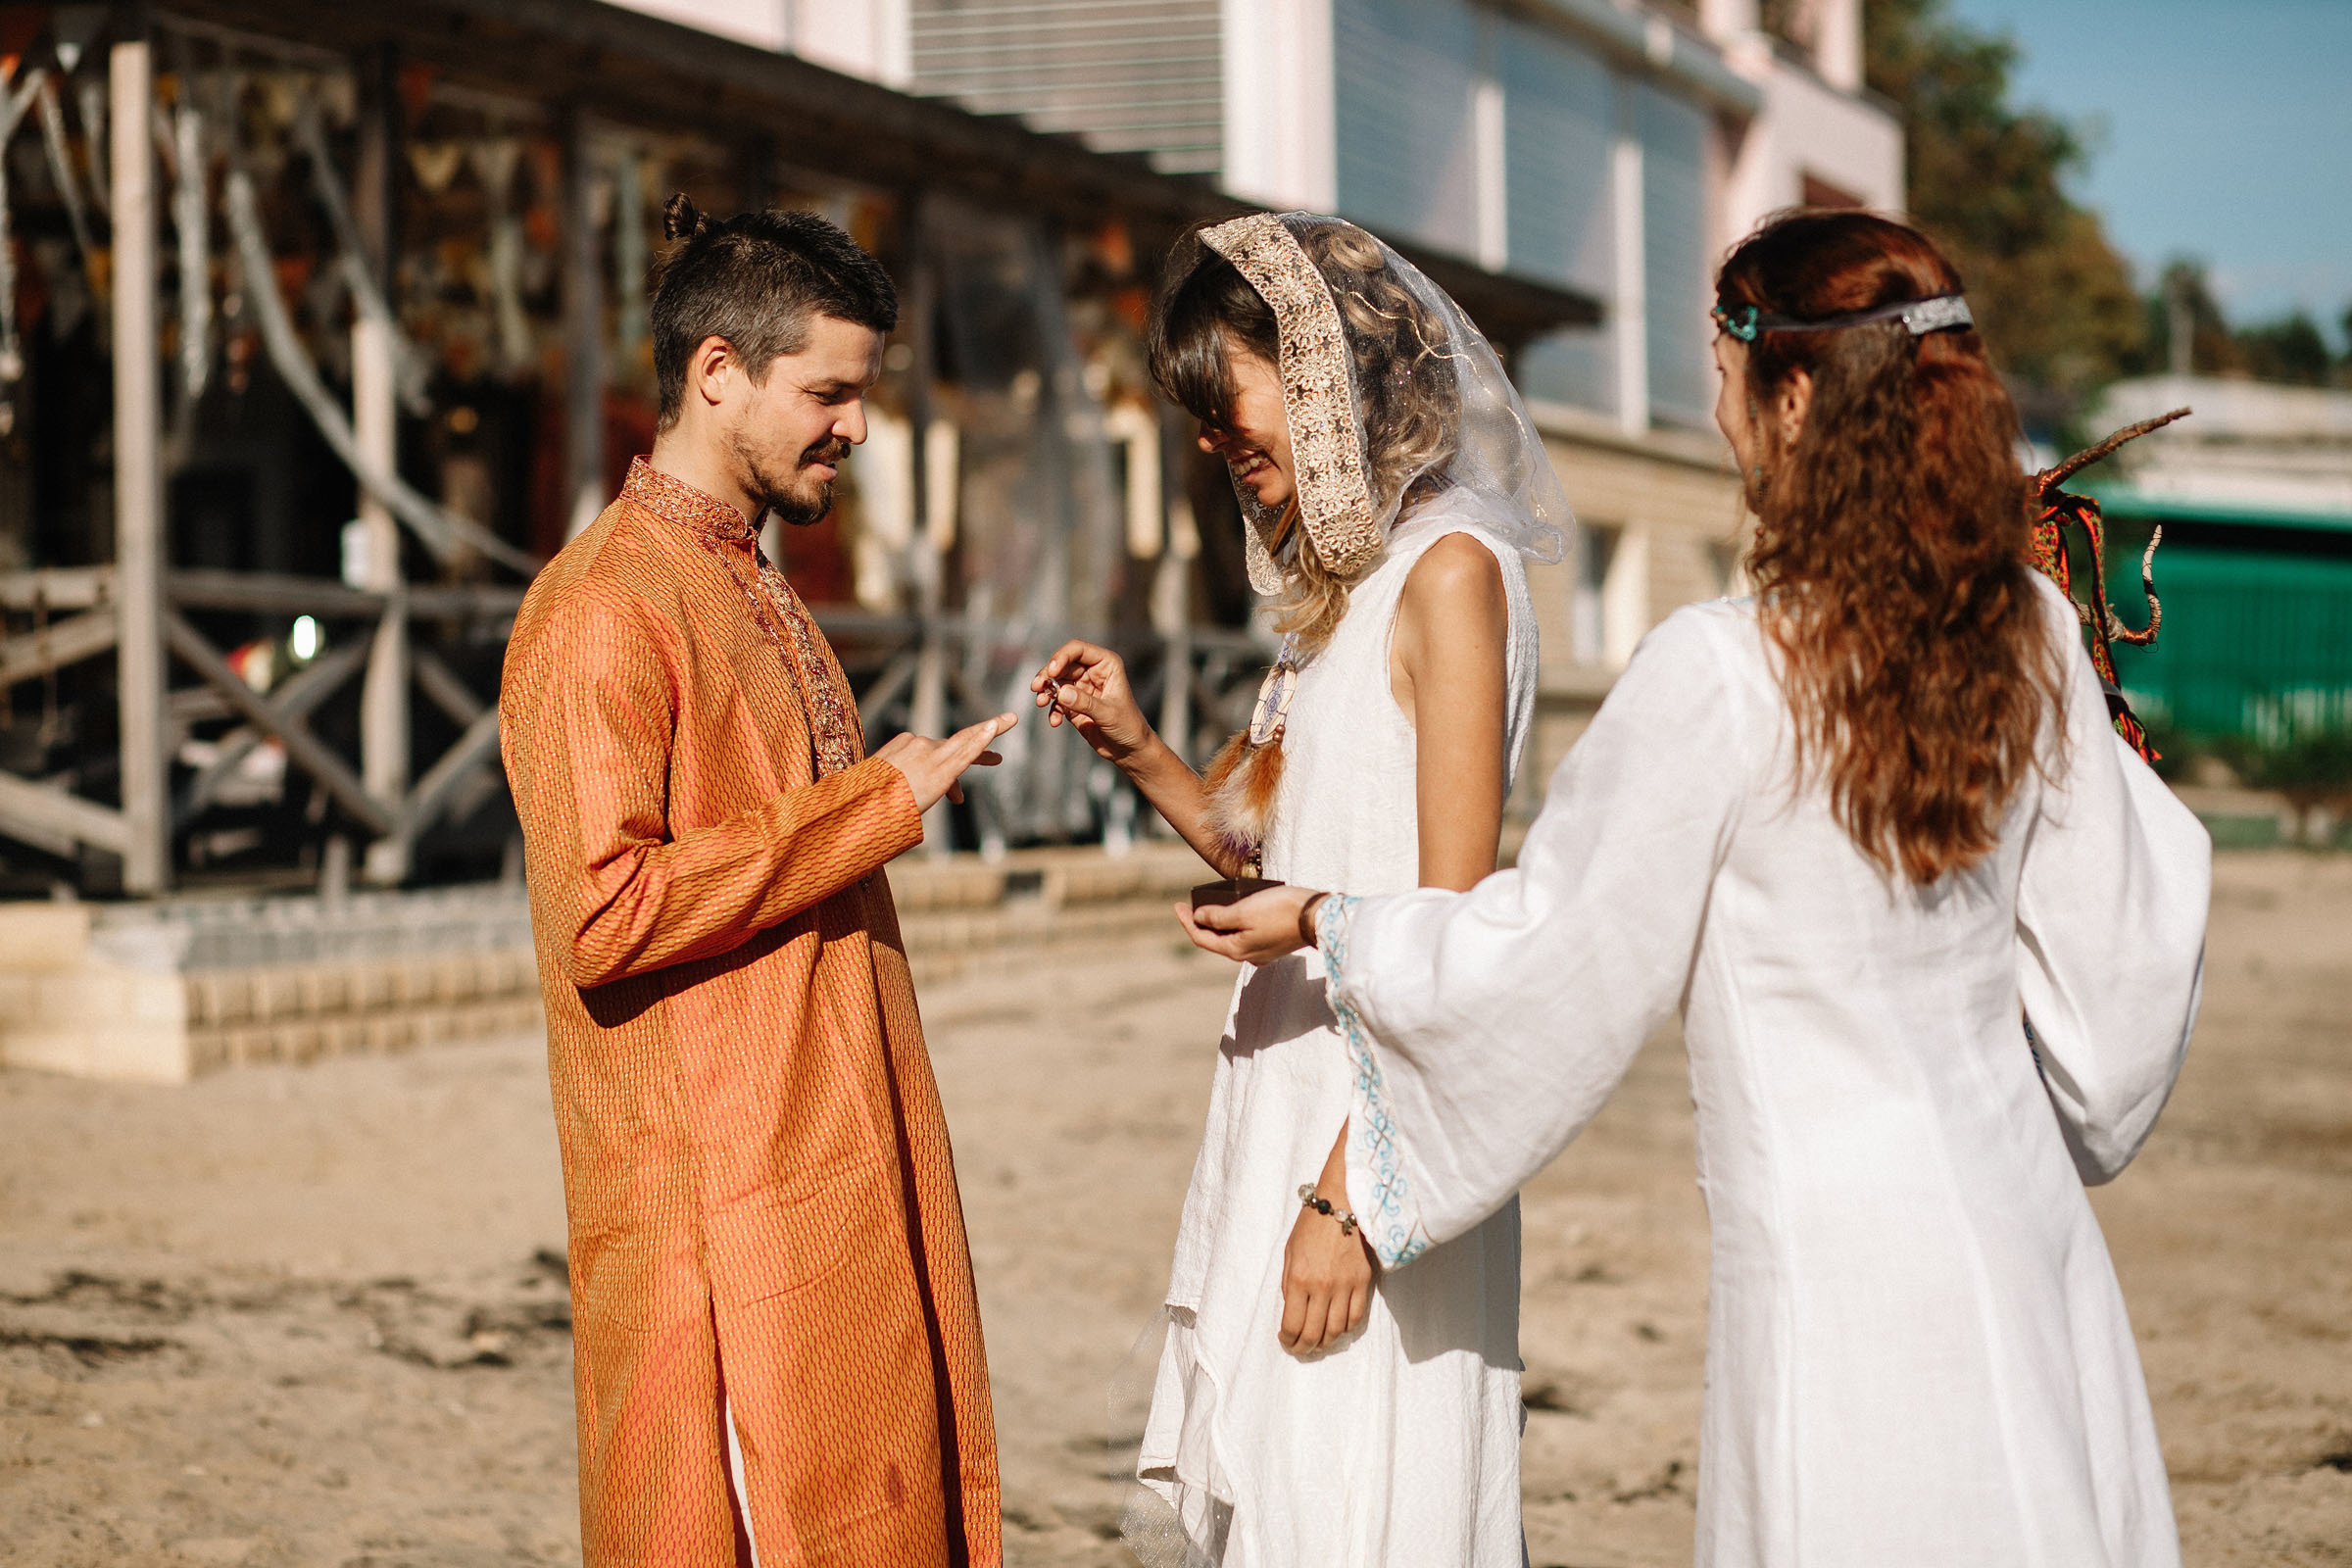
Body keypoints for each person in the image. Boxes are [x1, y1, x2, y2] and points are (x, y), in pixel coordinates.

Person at [1181, 209, 2212, 1568]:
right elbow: (2123, 987)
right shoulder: (2032, 633)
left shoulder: (1721, 672)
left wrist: (1331, 921)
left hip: (1836, 1270)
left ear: (1789, 394)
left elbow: (1546, 964)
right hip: (2032, 1241)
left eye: (1721, 378)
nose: (1714, 415)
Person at [1029, 212, 1568, 1566]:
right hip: (1292, 1097)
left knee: (1350, 1493)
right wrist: (1137, 743)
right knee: (1291, 1499)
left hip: (1370, 1125)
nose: (1219, 449)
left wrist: (1348, 1201)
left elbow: (1446, 928)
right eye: (1200, 426)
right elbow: (1273, 850)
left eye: (1232, 408)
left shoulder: (1449, 575)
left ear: (1333, 374)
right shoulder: (1356, 579)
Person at [501, 195, 1014, 1568]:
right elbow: (603, 917)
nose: (854, 427)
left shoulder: (745, 577)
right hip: (710, 1219)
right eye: (828, 393)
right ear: (717, 373)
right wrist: (873, 806)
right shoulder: (602, 605)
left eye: (862, 394)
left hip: (828, 1159)